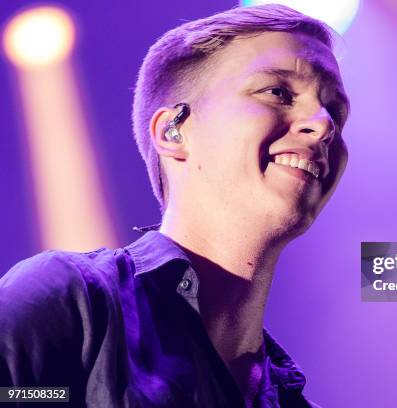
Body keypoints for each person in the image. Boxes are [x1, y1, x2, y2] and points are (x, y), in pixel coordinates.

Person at [0, 4, 349, 407]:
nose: (323, 124)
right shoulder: (73, 302)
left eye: (336, 112)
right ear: (173, 131)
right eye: (278, 92)